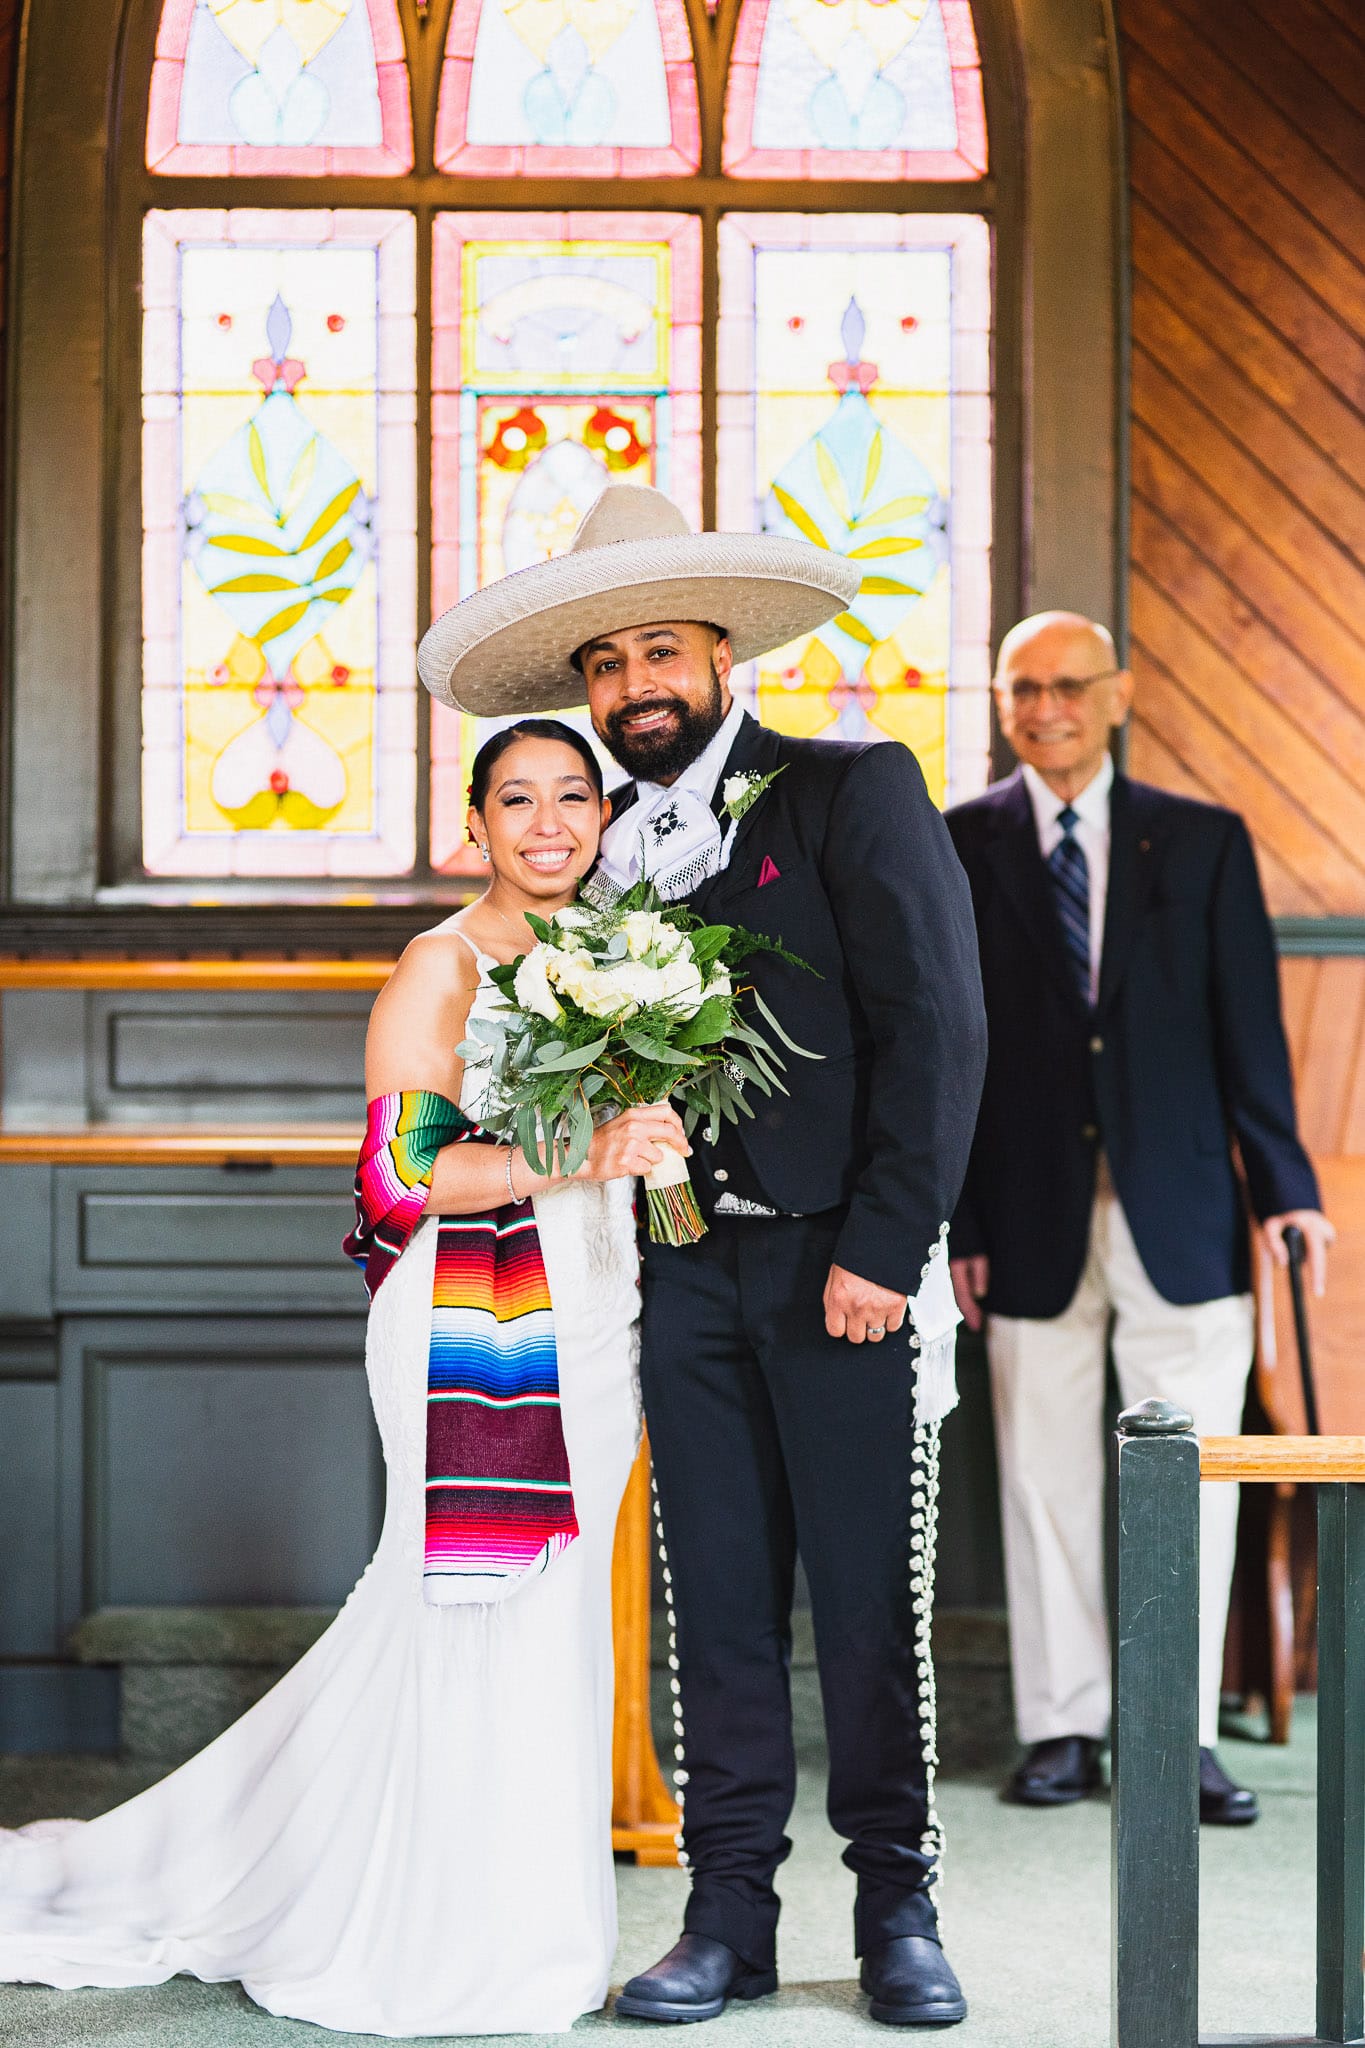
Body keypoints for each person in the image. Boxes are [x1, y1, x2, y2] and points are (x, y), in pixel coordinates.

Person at [0, 719, 688, 2037]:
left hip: (599, 1312)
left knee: (552, 1613)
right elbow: (401, 1174)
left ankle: (528, 1915)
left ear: (604, 818)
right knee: (468, 1604)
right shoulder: (440, 967)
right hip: (475, 1319)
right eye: (517, 800)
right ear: (475, 824)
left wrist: (651, 1144)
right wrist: (585, 1152)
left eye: (572, 797)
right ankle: (452, 1936)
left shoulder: (627, 954)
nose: (548, 823)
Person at [417, 482, 988, 2029]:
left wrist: (885, 1246)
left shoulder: (851, 788)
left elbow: (937, 1027)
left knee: (866, 1607)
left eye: (657, 652)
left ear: (721, 652)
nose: (632, 687)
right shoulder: (586, 849)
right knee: (717, 1607)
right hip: (675, 1279)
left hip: (839, 1273)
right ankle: (726, 1913)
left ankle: (897, 1908)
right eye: (604, 666)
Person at [944, 610, 1334, 1824]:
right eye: (1023, 688)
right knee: (1042, 1475)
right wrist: (959, 1221)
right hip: (1025, 1212)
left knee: (1192, 1477)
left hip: (1184, 1209)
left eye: (1070, 685)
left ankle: (1177, 1730)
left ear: (1119, 694)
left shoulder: (1204, 840)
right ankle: (1062, 1727)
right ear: (1001, 703)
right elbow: (953, 1047)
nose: (1047, 708)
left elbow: (1250, 1029)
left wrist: (1287, 1191)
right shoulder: (961, 841)